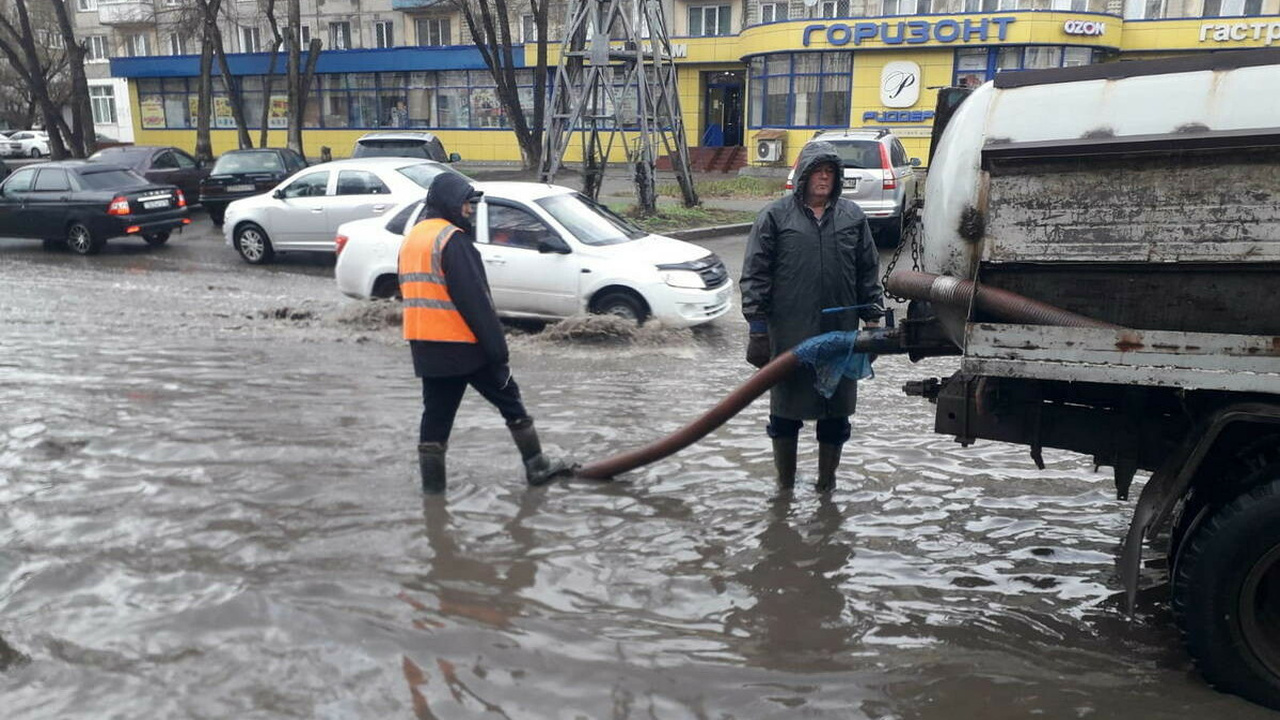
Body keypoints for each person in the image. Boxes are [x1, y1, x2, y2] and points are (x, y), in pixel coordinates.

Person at [400, 172, 571, 494]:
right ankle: (537, 466)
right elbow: (476, 301)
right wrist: (498, 352)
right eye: (465, 202)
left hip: (427, 348)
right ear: (450, 202)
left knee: (435, 419)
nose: (469, 209)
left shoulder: (413, 238)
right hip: (466, 348)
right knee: (510, 399)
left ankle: (433, 496)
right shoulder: (452, 240)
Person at [739, 141, 884, 493]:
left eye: (830, 172)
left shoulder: (852, 217)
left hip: (839, 335)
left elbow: (867, 271)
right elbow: (755, 274)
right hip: (789, 336)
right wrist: (758, 331)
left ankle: (826, 486)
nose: (824, 177)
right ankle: (785, 486)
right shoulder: (775, 217)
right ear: (803, 175)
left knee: (835, 415)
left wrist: (873, 322)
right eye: (818, 171)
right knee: (785, 415)